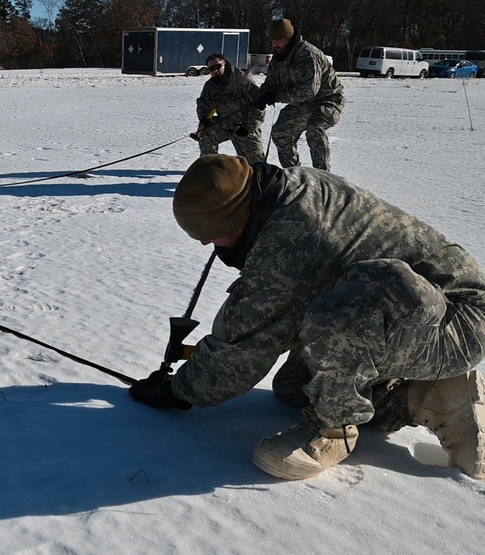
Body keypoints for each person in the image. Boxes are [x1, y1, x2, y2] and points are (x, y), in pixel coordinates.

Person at [129, 154, 485, 482]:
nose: (207, 245)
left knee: (338, 319)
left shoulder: (288, 243)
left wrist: (179, 390)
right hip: (412, 314)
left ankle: (333, 432)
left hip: (459, 322)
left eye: (208, 234)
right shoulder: (285, 187)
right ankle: (427, 395)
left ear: (235, 217)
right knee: (296, 388)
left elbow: (242, 352)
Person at [251, 19, 345, 171]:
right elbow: (271, 82)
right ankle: (295, 174)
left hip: (328, 100)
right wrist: (262, 95)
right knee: (280, 132)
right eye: (273, 41)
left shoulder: (308, 54)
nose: (275, 45)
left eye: (279, 40)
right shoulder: (278, 57)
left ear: (289, 38)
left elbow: (309, 90)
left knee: (315, 129)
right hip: (302, 104)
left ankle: (323, 177)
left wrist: (276, 96)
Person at [193, 53, 266, 164]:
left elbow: (259, 106)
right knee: (206, 132)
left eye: (217, 67)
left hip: (244, 127)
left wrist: (248, 127)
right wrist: (204, 118)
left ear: (225, 64)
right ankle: (209, 167)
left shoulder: (243, 80)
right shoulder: (210, 85)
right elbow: (204, 103)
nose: (215, 71)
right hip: (225, 124)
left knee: (256, 163)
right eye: (211, 69)